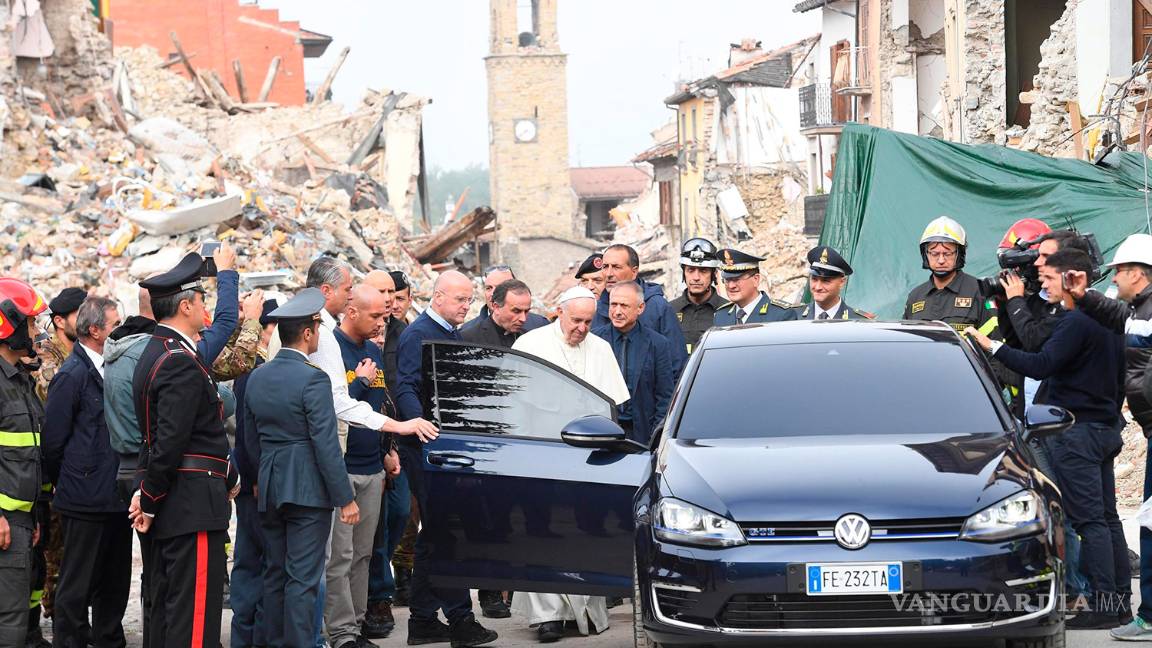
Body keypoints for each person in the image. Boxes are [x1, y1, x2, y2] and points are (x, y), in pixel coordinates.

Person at [966, 248, 1130, 629]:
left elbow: (1041, 363)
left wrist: (993, 347)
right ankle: (1118, 602)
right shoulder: (1107, 316)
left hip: (1076, 433)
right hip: (1104, 427)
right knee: (1107, 519)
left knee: (1089, 522)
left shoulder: (1077, 321)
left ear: (1074, 277)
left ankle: (1104, 608)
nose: (1044, 285)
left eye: (1050, 278)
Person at [105, 250, 241, 646]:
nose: (205, 308)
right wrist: (148, 497)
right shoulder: (178, 359)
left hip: (177, 501)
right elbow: (170, 441)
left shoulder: (158, 352)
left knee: (168, 611)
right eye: (202, 300)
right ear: (186, 305)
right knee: (194, 621)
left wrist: (146, 494)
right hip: (191, 504)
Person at [244, 288, 360, 648]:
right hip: (308, 488)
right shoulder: (313, 378)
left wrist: (257, 480)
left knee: (275, 573)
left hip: (271, 484)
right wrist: (345, 498)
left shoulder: (258, 375)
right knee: (304, 579)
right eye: (317, 328)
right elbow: (325, 444)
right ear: (308, 333)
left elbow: (250, 439)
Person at [511, 286, 627, 642]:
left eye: (588, 322)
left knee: (584, 533)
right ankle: (547, 618)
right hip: (541, 456)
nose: (581, 328)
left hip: (586, 458)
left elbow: (612, 408)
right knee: (541, 533)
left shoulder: (601, 348)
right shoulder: (530, 346)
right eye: (575, 320)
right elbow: (515, 409)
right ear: (558, 312)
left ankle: (587, 612)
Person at [394, 270, 497, 647]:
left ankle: (422, 620)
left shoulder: (450, 333)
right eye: (460, 300)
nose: (466, 306)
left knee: (435, 535)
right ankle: (460, 619)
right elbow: (405, 385)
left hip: (446, 449)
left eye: (469, 300)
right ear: (437, 298)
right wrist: (417, 423)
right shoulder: (418, 334)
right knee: (448, 533)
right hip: (428, 450)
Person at [41, 296, 131, 648]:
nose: (121, 330)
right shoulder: (72, 374)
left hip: (115, 496)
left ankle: (109, 638)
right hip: (84, 500)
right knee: (76, 585)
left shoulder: (114, 367)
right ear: (95, 331)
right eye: (115, 324)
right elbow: (54, 442)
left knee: (115, 579)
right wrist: (77, 479)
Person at [325, 284, 395, 648]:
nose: (382, 323)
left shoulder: (373, 349)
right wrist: (359, 382)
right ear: (352, 311)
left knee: (364, 555)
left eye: (385, 316)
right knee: (340, 556)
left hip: (373, 467)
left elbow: (378, 408)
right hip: (343, 468)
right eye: (375, 316)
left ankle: (357, 623)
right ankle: (341, 633)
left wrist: (387, 450)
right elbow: (331, 407)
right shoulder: (331, 349)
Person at [31, 286, 84, 647]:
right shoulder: (48, 355)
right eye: (79, 314)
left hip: (75, 472)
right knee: (52, 552)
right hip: (49, 474)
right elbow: (54, 394)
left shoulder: (83, 353)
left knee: (72, 555)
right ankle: (54, 620)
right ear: (60, 321)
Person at [360, 271, 411, 636]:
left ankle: (380, 576)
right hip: (368, 442)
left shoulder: (402, 331)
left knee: (401, 513)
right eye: (381, 292)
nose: (389, 300)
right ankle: (378, 596)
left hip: (400, 438)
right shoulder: (354, 337)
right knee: (373, 528)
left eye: (393, 293)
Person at [229, 297, 281, 648]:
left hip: (249, 480)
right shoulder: (254, 368)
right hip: (255, 484)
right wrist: (258, 478)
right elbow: (249, 433)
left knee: (251, 563)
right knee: (260, 565)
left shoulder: (252, 367)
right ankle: (252, 637)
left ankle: (245, 636)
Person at [0, 278, 49, 648]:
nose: (35, 330)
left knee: (15, 617)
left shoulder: (18, 381)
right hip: (3, 523)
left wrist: (30, 518)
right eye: (30, 322)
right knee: (9, 623)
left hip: (19, 521)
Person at [592, 281, 674, 445]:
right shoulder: (594, 340)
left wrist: (655, 438)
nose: (617, 311)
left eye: (624, 306)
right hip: (601, 431)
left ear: (640, 308)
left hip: (642, 435)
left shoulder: (657, 344)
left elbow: (664, 396)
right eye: (613, 305)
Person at [595, 244, 688, 374]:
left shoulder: (658, 308)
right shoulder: (595, 309)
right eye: (605, 267)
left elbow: (676, 365)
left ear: (634, 272)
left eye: (616, 267)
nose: (609, 274)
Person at [903, 216, 995, 334]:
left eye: (947, 253)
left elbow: (993, 344)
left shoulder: (980, 291)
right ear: (926, 255)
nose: (941, 260)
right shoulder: (915, 296)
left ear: (959, 254)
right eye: (935, 253)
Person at [668, 238, 726, 353]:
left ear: (713, 275)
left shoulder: (728, 311)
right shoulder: (669, 310)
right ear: (683, 273)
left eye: (703, 271)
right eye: (690, 270)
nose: (696, 277)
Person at [713, 248, 797, 325]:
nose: (731, 286)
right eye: (727, 280)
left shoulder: (781, 315)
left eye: (736, 279)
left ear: (756, 279)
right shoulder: (721, 316)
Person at [794, 246, 872, 320]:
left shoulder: (859, 321)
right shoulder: (793, 316)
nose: (818, 287)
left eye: (826, 281)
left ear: (842, 282)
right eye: (814, 279)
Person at [460, 279, 543, 348]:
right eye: (516, 311)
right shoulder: (469, 339)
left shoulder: (528, 340)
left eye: (526, 311)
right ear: (496, 307)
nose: (523, 319)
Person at [471, 265, 549, 332]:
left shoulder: (540, 326)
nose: (493, 293)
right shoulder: (469, 333)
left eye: (500, 287)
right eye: (488, 288)